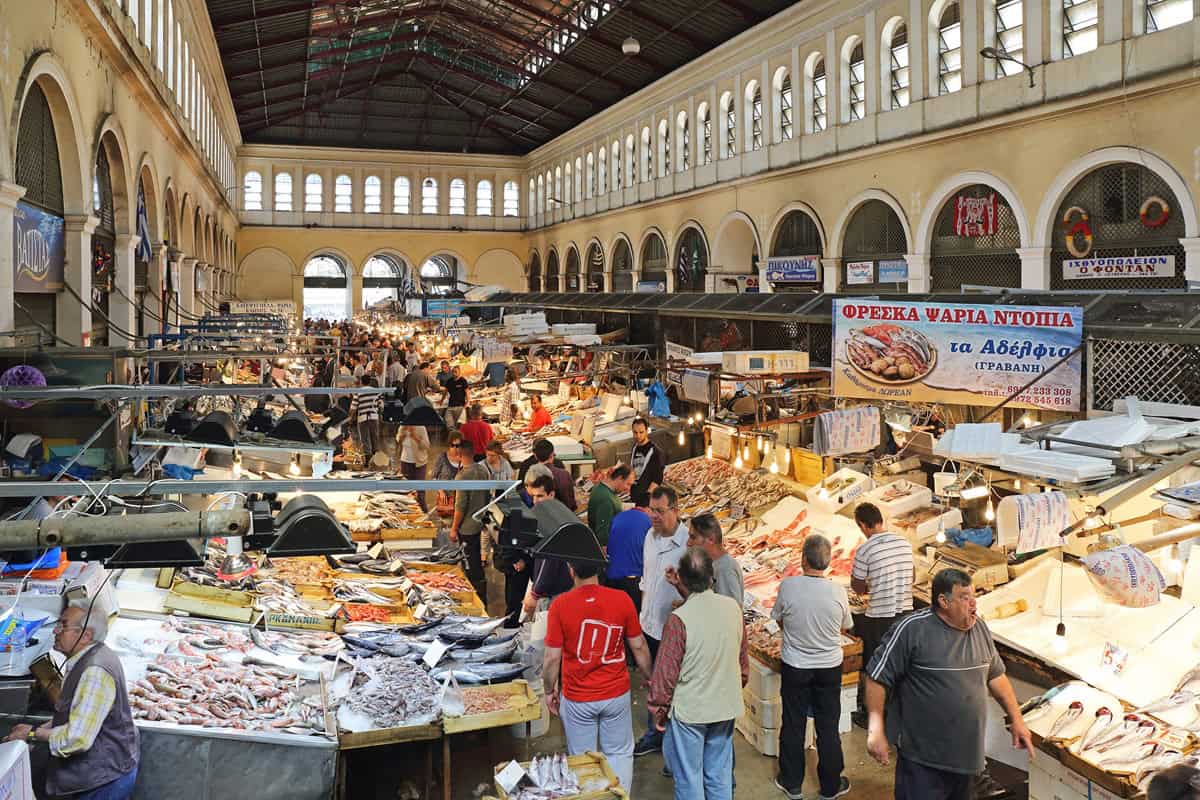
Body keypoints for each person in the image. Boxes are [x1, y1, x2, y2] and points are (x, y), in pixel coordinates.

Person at [864, 568, 1033, 800]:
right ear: (943, 601)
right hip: (923, 762)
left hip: (966, 760)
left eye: (973, 596)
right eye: (964, 597)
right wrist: (875, 730)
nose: (973, 604)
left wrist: (1017, 719)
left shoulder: (980, 629)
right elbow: (876, 678)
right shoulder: (912, 630)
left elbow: (996, 676)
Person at [5, 604, 139, 798]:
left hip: (102, 782)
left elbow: (77, 739)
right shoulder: (82, 657)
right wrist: (34, 733)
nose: (55, 630)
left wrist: (34, 734)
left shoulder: (94, 672)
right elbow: (73, 712)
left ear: (85, 635)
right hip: (101, 772)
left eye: (63, 625)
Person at [647, 547, 748, 800]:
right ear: (711, 576)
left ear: (681, 578)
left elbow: (665, 674)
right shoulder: (733, 608)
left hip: (691, 710)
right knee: (719, 774)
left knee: (689, 778)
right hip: (725, 705)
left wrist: (659, 709)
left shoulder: (679, 619)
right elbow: (742, 662)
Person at [544, 560, 653, 793]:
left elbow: (552, 658)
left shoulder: (560, 605)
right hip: (616, 695)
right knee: (620, 754)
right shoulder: (622, 599)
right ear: (598, 569)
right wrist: (650, 677)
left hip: (578, 698)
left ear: (571, 570)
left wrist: (548, 689)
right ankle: (620, 797)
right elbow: (639, 645)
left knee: (583, 760)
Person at [772, 534, 853, 800]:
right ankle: (830, 786)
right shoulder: (838, 591)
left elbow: (779, 619)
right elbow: (846, 626)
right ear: (827, 562)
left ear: (803, 558)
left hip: (795, 665)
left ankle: (791, 782)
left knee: (793, 722)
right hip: (829, 667)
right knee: (827, 725)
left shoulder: (789, 586)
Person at [633, 485, 689, 757]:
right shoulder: (649, 537)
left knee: (673, 687)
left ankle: (673, 740)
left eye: (659, 511)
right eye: (651, 510)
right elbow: (646, 578)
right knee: (653, 684)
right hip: (648, 625)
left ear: (675, 510)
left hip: (673, 630)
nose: (653, 516)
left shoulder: (688, 543)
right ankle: (654, 734)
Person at [850, 501, 915, 720]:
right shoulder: (904, 542)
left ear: (862, 525)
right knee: (900, 665)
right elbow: (912, 577)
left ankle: (873, 715)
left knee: (875, 667)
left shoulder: (865, 549)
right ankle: (896, 713)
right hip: (906, 615)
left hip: (879, 617)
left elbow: (857, 586)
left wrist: (873, 585)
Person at [521, 475, 575, 615]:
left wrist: (534, 593)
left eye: (540, 496)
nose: (535, 501)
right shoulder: (555, 512)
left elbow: (548, 560)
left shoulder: (553, 521)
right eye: (533, 496)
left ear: (551, 494)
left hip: (554, 592)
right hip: (556, 587)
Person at [450, 441, 490, 604]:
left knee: (469, 563)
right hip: (479, 522)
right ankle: (481, 594)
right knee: (475, 562)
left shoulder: (462, 476)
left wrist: (454, 528)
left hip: (466, 526)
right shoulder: (482, 470)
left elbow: (460, 506)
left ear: (459, 455)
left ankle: (475, 598)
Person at [606, 490, 652, 611]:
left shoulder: (618, 517)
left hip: (611, 576)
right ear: (648, 508)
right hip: (633, 579)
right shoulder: (648, 522)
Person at [687, 513, 743, 605]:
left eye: (693, 537)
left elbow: (730, 612)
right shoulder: (712, 563)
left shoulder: (724, 569)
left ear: (711, 540)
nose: (688, 543)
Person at [588, 464, 633, 550]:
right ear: (620, 478)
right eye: (628, 484)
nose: (628, 489)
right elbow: (603, 533)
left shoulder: (602, 489)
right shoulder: (606, 499)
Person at [524, 439, 576, 511]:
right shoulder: (564, 474)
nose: (535, 500)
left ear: (535, 456)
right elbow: (571, 504)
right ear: (552, 454)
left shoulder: (529, 473)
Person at [397, 423, 430, 512]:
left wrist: (415, 436)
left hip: (419, 462)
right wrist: (402, 435)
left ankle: (424, 511)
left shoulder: (421, 427)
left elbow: (426, 446)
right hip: (405, 462)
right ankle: (408, 512)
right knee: (406, 489)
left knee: (420, 490)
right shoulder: (402, 426)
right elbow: (398, 441)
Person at [630, 417, 665, 500]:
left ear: (647, 431)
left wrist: (648, 496)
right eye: (635, 432)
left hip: (646, 498)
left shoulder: (655, 452)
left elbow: (657, 479)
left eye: (641, 432)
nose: (638, 435)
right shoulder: (634, 448)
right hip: (634, 496)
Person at [349, 377, 382, 460]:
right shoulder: (375, 391)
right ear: (369, 382)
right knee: (374, 436)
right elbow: (381, 405)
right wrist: (378, 413)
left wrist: (351, 418)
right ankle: (376, 458)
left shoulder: (358, 392)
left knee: (365, 438)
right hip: (374, 417)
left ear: (361, 382)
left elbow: (353, 408)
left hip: (362, 418)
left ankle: (368, 459)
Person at [442, 365, 470, 430]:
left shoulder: (463, 381)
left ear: (459, 372)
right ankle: (452, 436)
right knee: (449, 425)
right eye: (453, 372)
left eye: (455, 372)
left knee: (460, 426)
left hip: (460, 406)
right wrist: (441, 400)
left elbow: (467, 392)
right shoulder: (449, 381)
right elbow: (445, 391)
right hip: (450, 406)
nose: (454, 373)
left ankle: (459, 437)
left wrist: (468, 402)